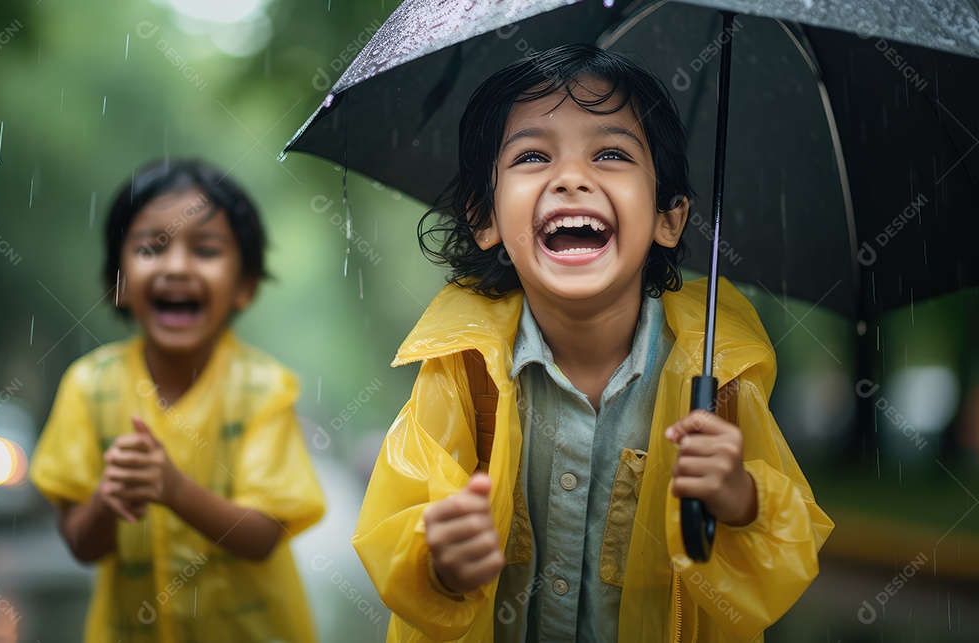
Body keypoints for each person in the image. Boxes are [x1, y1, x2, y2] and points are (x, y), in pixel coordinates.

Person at [353, 44, 833, 642]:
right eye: (532, 155)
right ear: (485, 218)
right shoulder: (462, 372)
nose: (573, 178)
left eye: (610, 154)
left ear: (669, 217)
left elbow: (782, 556)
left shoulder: (717, 381)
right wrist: (441, 563)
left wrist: (740, 499)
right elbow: (398, 525)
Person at [30, 159, 325, 642]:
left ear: (245, 286)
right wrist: (107, 499)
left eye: (206, 250)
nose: (177, 266)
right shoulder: (88, 385)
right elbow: (83, 545)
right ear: (117, 282)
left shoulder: (264, 387)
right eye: (150, 248)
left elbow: (263, 535)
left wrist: (175, 490)